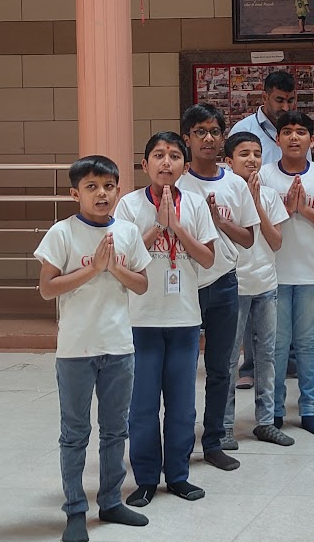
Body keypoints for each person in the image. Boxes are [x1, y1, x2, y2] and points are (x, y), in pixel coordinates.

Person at [35, 155, 152, 542]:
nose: (101, 194)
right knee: (75, 433)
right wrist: (93, 268)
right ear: (75, 193)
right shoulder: (62, 233)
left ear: (118, 190)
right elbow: (47, 287)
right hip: (75, 350)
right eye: (91, 187)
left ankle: (111, 502)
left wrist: (114, 267)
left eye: (108, 186)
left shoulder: (129, 232)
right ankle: (74, 510)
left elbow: (141, 285)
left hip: (118, 346)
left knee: (115, 430)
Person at [117, 132, 220, 506]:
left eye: (174, 156)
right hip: (140, 319)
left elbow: (208, 259)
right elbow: (124, 259)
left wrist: (177, 227)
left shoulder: (194, 203)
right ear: (144, 165)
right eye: (158, 155)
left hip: (184, 319)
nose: (166, 163)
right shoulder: (128, 206)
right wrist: (158, 227)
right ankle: (144, 479)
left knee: (182, 405)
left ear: (185, 165)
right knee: (142, 405)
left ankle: (177, 475)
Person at [178, 105, 260, 462]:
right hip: (184, 286)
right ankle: (180, 441)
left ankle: (214, 440)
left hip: (225, 283)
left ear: (222, 136)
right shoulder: (177, 183)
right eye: (200, 132)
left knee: (221, 366)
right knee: (181, 368)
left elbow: (248, 239)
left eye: (214, 131)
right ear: (187, 139)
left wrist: (220, 222)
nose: (208, 138)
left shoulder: (235, 183)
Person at [259, 110, 314, 435]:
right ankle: (275, 411)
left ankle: (309, 409)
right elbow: (255, 219)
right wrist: (286, 209)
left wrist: (305, 210)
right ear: (278, 138)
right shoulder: (265, 176)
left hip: (313, 273)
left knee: (308, 343)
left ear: (313, 139)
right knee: (278, 345)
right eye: (287, 132)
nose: (294, 137)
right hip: (275, 273)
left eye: (301, 132)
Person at [222, 130, 293, 448]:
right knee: (227, 360)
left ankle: (265, 422)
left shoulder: (268, 195)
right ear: (228, 161)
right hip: (232, 287)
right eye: (243, 154)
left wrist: (255, 204)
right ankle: (223, 426)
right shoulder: (221, 194)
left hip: (265, 285)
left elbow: (276, 242)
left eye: (256, 153)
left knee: (267, 356)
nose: (251, 159)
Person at [231, 70, 299, 165]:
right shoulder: (244, 129)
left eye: (290, 101)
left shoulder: (301, 131)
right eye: (279, 101)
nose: (286, 108)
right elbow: (233, 174)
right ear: (264, 97)